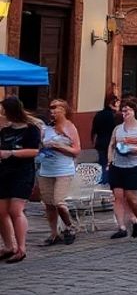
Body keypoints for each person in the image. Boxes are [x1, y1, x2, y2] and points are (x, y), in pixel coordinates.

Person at [0, 97, 43, 262]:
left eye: (3, 110)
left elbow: (34, 151)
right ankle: (8, 246)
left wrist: (10, 153)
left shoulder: (31, 129)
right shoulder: (5, 131)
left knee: (15, 210)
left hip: (22, 173)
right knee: (1, 211)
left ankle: (21, 248)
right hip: (4, 173)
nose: (1, 113)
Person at [37, 98, 80, 246]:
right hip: (46, 169)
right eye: (51, 108)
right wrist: (42, 146)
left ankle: (70, 226)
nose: (53, 111)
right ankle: (54, 234)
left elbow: (76, 151)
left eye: (57, 108)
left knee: (58, 202)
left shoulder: (70, 127)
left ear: (64, 110)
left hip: (63, 169)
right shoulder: (46, 128)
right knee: (48, 203)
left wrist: (58, 146)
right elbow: (39, 146)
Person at [108, 97, 137, 239]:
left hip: (135, 166)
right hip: (117, 166)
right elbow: (112, 144)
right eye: (123, 110)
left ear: (134, 111)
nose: (125, 112)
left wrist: (133, 150)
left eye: (128, 109)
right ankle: (121, 227)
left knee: (131, 197)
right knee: (118, 197)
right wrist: (110, 160)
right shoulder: (117, 128)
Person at [91, 94, 118, 186]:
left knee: (102, 162)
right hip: (110, 141)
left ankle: (102, 180)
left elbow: (94, 129)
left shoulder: (99, 114)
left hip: (100, 141)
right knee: (110, 162)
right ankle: (107, 180)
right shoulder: (113, 116)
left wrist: (93, 140)